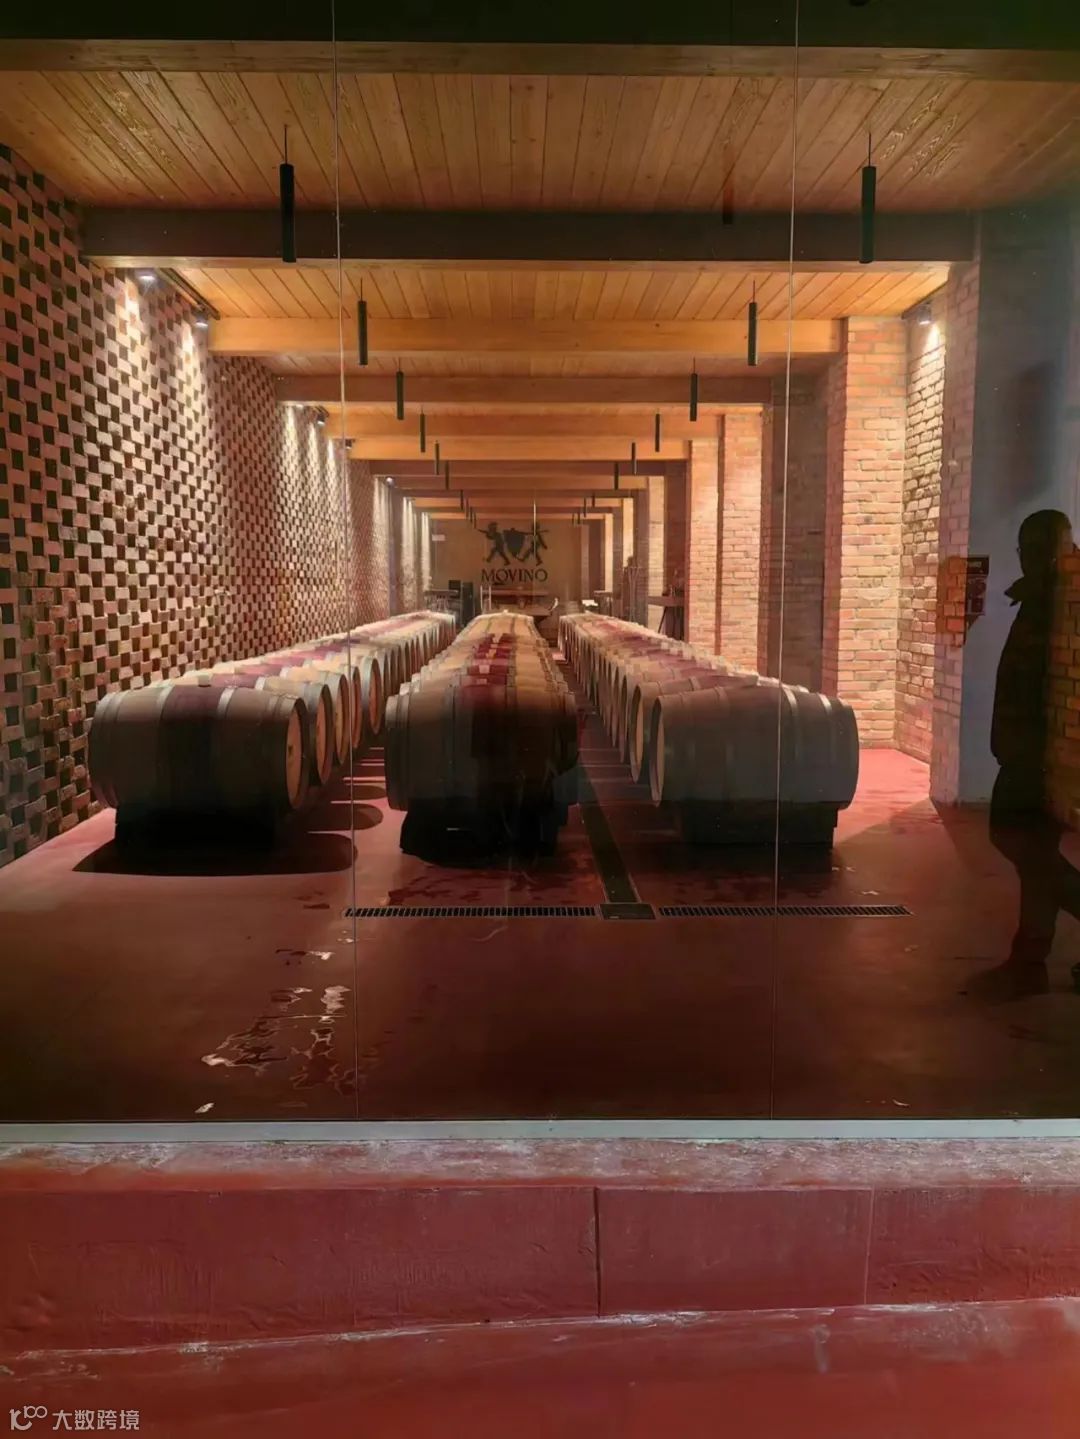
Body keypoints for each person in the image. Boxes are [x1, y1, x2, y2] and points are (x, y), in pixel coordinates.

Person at [986, 509, 1080, 992]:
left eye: (1039, 548)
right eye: (1025, 549)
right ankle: (1029, 958)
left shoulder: (1062, 601)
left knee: (1015, 838)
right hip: (1031, 750)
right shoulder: (1042, 596)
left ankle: (1029, 958)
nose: (1028, 558)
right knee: (1034, 851)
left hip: (1041, 753)